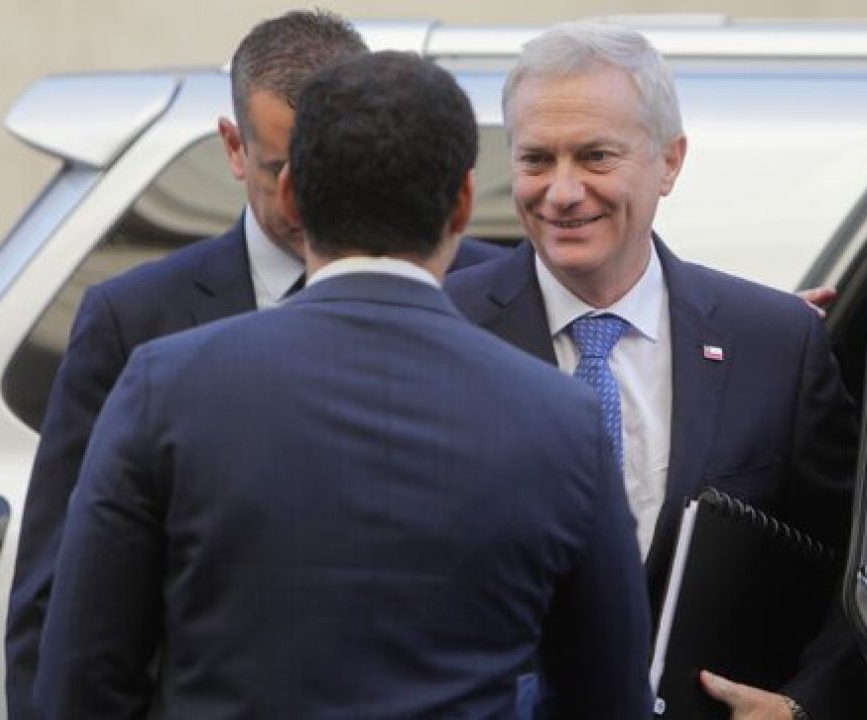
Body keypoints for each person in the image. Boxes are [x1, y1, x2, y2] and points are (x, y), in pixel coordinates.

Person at [33, 49, 651, 719]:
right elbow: (609, 699)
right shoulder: (561, 417)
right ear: (464, 204)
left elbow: (79, 682)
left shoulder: (166, 387)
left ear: (292, 195)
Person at [3, 11, 505, 718]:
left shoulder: (487, 289)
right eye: (284, 168)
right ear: (234, 147)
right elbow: (56, 610)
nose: (313, 195)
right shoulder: (132, 321)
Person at [446, 22, 867, 719]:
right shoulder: (440, 330)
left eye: (595, 156)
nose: (562, 191)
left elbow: (858, 565)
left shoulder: (774, 343)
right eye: (536, 159)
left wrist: (801, 706)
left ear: (669, 162)